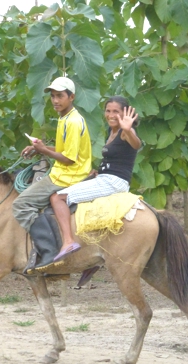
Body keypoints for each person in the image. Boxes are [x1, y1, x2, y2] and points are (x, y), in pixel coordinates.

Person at [12, 76, 92, 272]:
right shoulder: (65, 117)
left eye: (60, 96)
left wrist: (42, 151)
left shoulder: (73, 122)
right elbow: (63, 149)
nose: (55, 100)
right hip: (64, 171)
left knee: (21, 204)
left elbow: (69, 158)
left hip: (68, 175)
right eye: (53, 96)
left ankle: (48, 251)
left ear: (71, 97)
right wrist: (40, 147)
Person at [50, 96, 141, 262]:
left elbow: (136, 144)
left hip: (114, 182)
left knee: (58, 198)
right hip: (105, 177)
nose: (111, 115)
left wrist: (128, 129)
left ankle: (68, 242)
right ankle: (90, 253)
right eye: (108, 111)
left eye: (116, 111)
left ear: (125, 113)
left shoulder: (124, 132)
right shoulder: (111, 131)